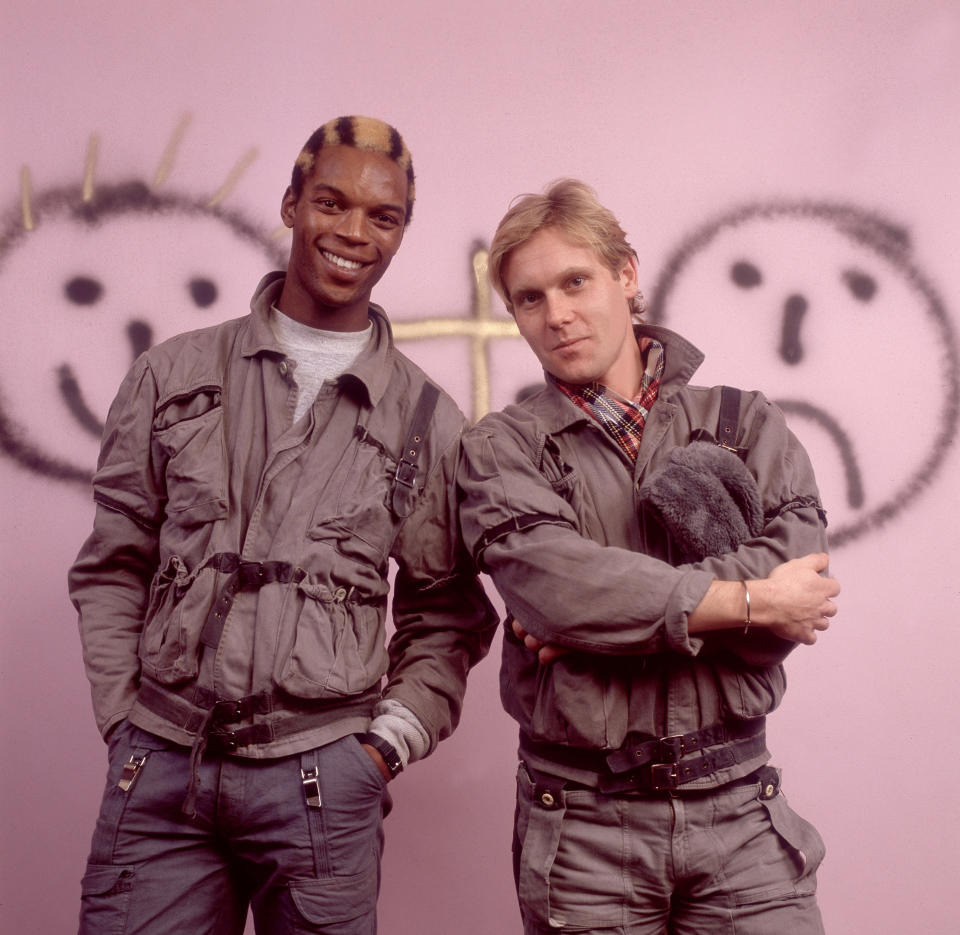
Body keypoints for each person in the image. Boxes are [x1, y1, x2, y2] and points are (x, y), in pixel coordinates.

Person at [68, 115, 497, 935]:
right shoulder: (171, 376)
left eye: (383, 217)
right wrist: (125, 718)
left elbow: (445, 612)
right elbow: (113, 563)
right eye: (331, 203)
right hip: (158, 769)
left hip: (320, 786)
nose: (353, 233)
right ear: (291, 203)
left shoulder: (425, 419)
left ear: (403, 232)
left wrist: (383, 747)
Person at [457, 179, 840, 934]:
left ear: (626, 274)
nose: (558, 314)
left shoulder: (743, 422)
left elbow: (802, 577)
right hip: (583, 828)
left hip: (741, 811)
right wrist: (750, 601)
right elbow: (560, 593)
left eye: (576, 281)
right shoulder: (499, 449)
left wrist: (609, 613)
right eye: (530, 298)